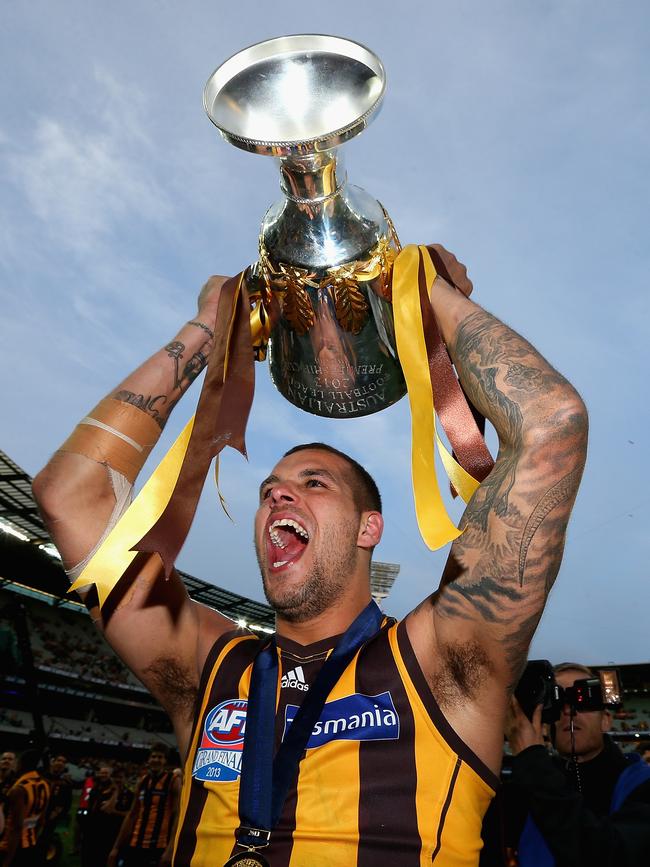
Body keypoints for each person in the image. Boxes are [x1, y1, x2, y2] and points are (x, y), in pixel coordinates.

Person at [33, 249, 589, 865]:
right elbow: (69, 497)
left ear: (367, 528)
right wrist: (211, 329)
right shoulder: (208, 666)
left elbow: (550, 425)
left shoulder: (443, 661)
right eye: (270, 487)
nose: (277, 492)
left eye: (314, 483)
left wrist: (421, 295)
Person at [503, 662, 650, 865]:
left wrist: (532, 760)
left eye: (584, 698)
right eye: (558, 699)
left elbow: (610, 854)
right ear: (547, 723)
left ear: (606, 720)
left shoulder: (643, 784)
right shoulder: (524, 787)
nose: (569, 710)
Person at [108, 744, 180, 867]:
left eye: (160, 757)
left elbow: (177, 816)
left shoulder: (173, 781)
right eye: (153, 756)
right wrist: (116, 847)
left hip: (159, 845)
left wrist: (170, 849)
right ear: (148, 760)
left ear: (165, 761)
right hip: (136, 843)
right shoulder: (143, 781)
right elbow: (132, 814)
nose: (156, 760)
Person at [0, 750, 50, 867]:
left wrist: (7, 860)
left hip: (10, 845)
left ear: (20, 763)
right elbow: (41, 820)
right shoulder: (45, 784)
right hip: (29, 841)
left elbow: (17, 826)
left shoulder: (19, 788)